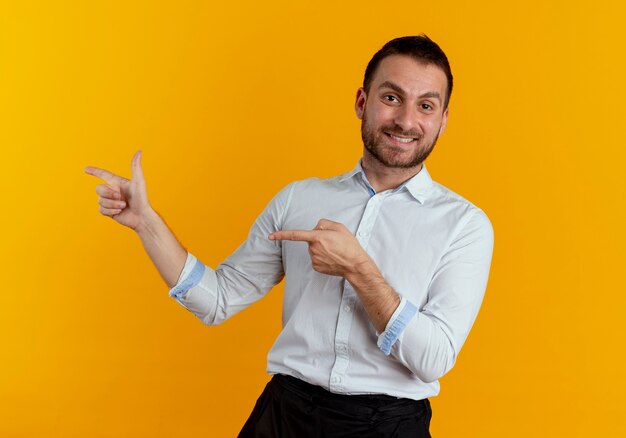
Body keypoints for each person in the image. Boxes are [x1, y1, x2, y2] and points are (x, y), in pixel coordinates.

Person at [85, 35, 494, 438]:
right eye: (391, 97)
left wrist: (358, 269)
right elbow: (217, 300)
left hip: (388, 426)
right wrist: (146, 222)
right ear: (361, 102)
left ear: (442, 120)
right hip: (283, 417)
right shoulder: (299, 198)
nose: (406, 120)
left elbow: (433, 359)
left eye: (425, 105)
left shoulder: (464, 226)